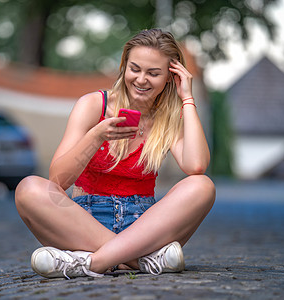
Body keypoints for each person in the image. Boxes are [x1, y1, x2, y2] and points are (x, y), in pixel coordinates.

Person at [15, 28, 216, 279]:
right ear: (124, 66)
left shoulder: (168, 119)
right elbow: (58, 180)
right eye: (135, 69)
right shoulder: (93, 105)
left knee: (202, 186)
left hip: (143, 228)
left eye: (153, 73)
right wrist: (96, 136)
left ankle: (91, 262)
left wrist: (187, 98)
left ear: (169, 77)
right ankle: (140, 261)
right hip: (84, 223)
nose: (141, 80)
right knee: (29, 188)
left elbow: (196, 165)